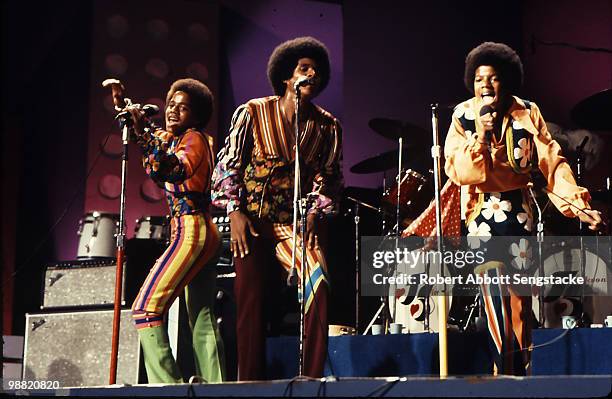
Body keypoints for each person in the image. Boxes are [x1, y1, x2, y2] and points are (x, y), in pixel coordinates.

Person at [442, 42, 602, 375]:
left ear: (507, 80)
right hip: (482, 215)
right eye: (479, 79)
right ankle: (505, 373)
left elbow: (552, 163)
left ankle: (518, 375)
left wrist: (579, 206)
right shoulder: (463, 115)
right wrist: (481, 140)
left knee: (517, 304)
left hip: (520, 215)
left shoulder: (527, 112)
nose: (485, 85)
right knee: (494, 296)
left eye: (494, 77)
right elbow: (457, 169)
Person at [211, 36, 343, 380]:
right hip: (251, 221)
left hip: (293, 225)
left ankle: (312, 377)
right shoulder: (253, 112)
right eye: (303, 69)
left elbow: (329, 178)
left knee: (318, 283)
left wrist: (316, 211)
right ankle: (248, 382)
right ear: (287, 76)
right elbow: (228, 166)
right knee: (249, 299)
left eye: (316, 70)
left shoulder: (328, 126)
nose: (311, 74)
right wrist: (235, 212)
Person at [128, 78, 225, 383]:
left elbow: (171, 168)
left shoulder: (195, 139)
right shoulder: (176, 138)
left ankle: (168, 387)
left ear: (196, 117)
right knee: (203, 317)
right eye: (171, 105)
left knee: (145, 309)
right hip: (201, 231)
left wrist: (145, 134)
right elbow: (150, 139)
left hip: (192, 230)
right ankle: (218, 389)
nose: (173, 111)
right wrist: (128, 111)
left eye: (183, 108)